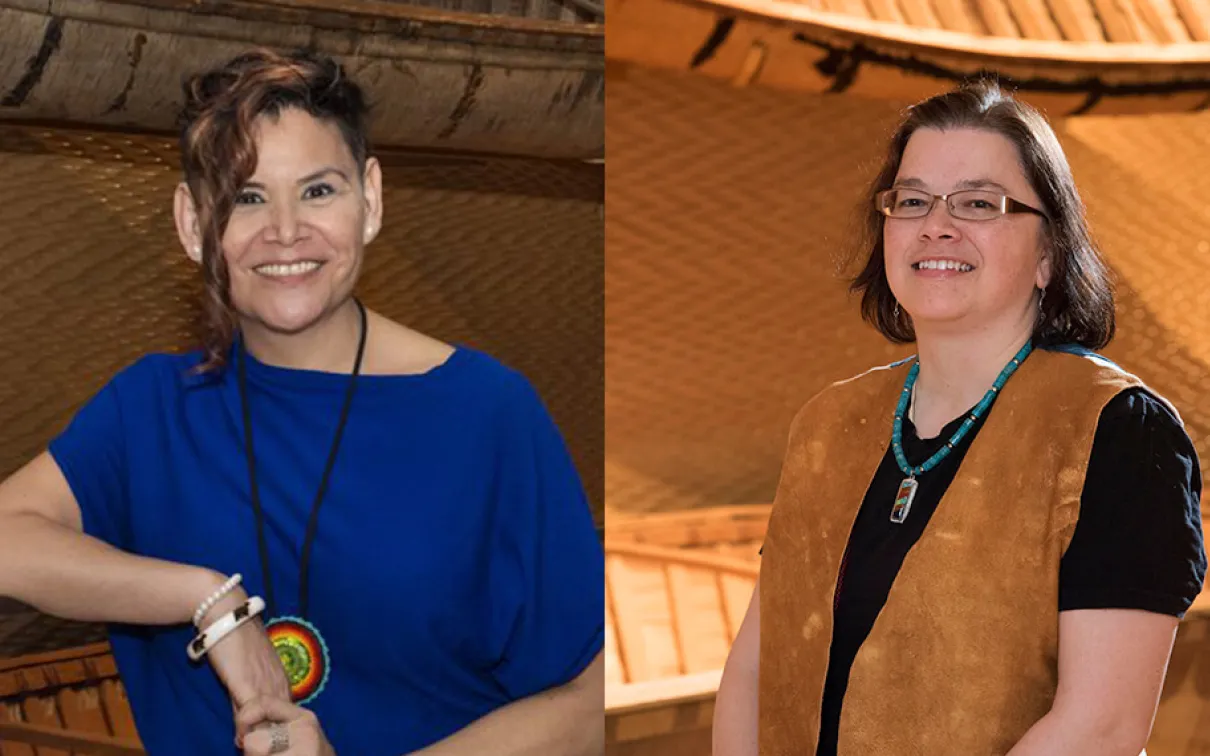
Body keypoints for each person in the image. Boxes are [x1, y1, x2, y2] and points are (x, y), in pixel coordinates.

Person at [0, 48, 604, 756]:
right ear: (195, 224)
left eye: (319, 191)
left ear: (370, 199)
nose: (285, 230)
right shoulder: (152, 407)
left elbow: (590, 703)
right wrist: (208, 601)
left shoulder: (486, 412)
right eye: (247, 197)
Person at [713, 79, 1206, 755]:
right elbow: (751, 674)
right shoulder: (830, 423)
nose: (935, 225)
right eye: (912, 200)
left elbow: (1100, 729)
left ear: (1048, 255)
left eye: (979, 203)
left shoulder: (1121, 432)